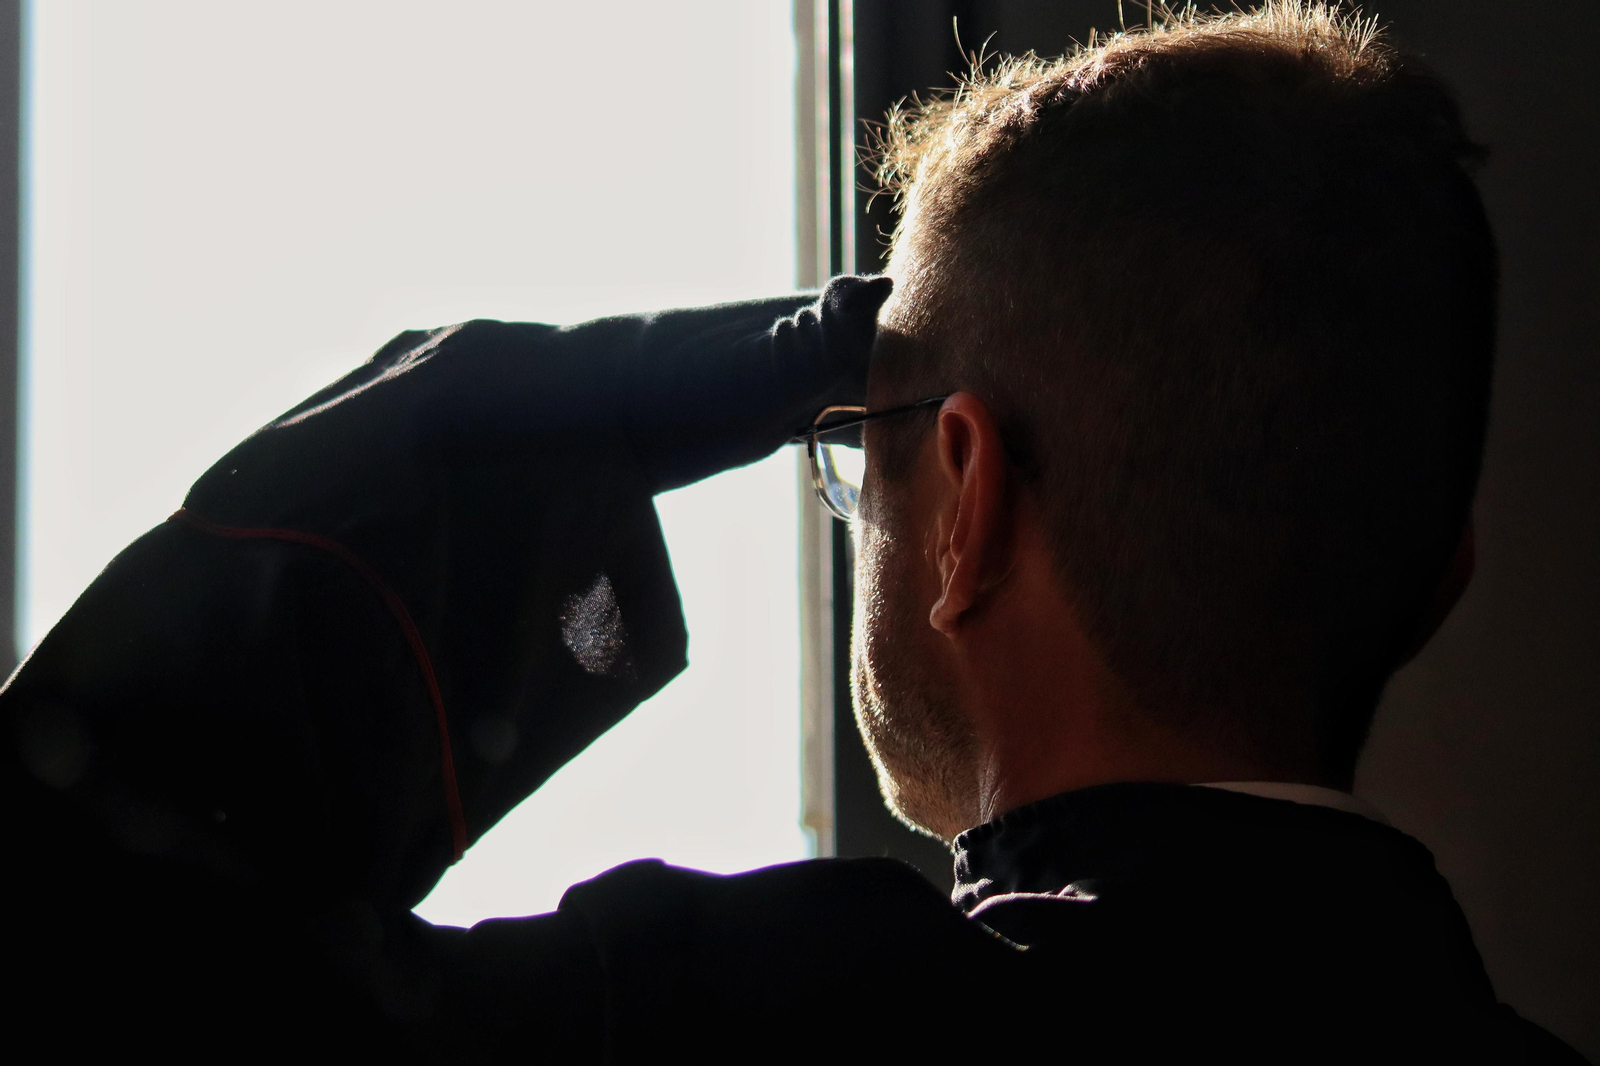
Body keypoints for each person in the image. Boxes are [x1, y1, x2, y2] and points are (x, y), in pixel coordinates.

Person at [4, 2, 1586, 1061]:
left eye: (860, 459)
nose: (858, 511)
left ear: (966, 500)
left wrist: (461, 423)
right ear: (1444, 575)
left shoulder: (784, 1034)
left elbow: (58, 960)